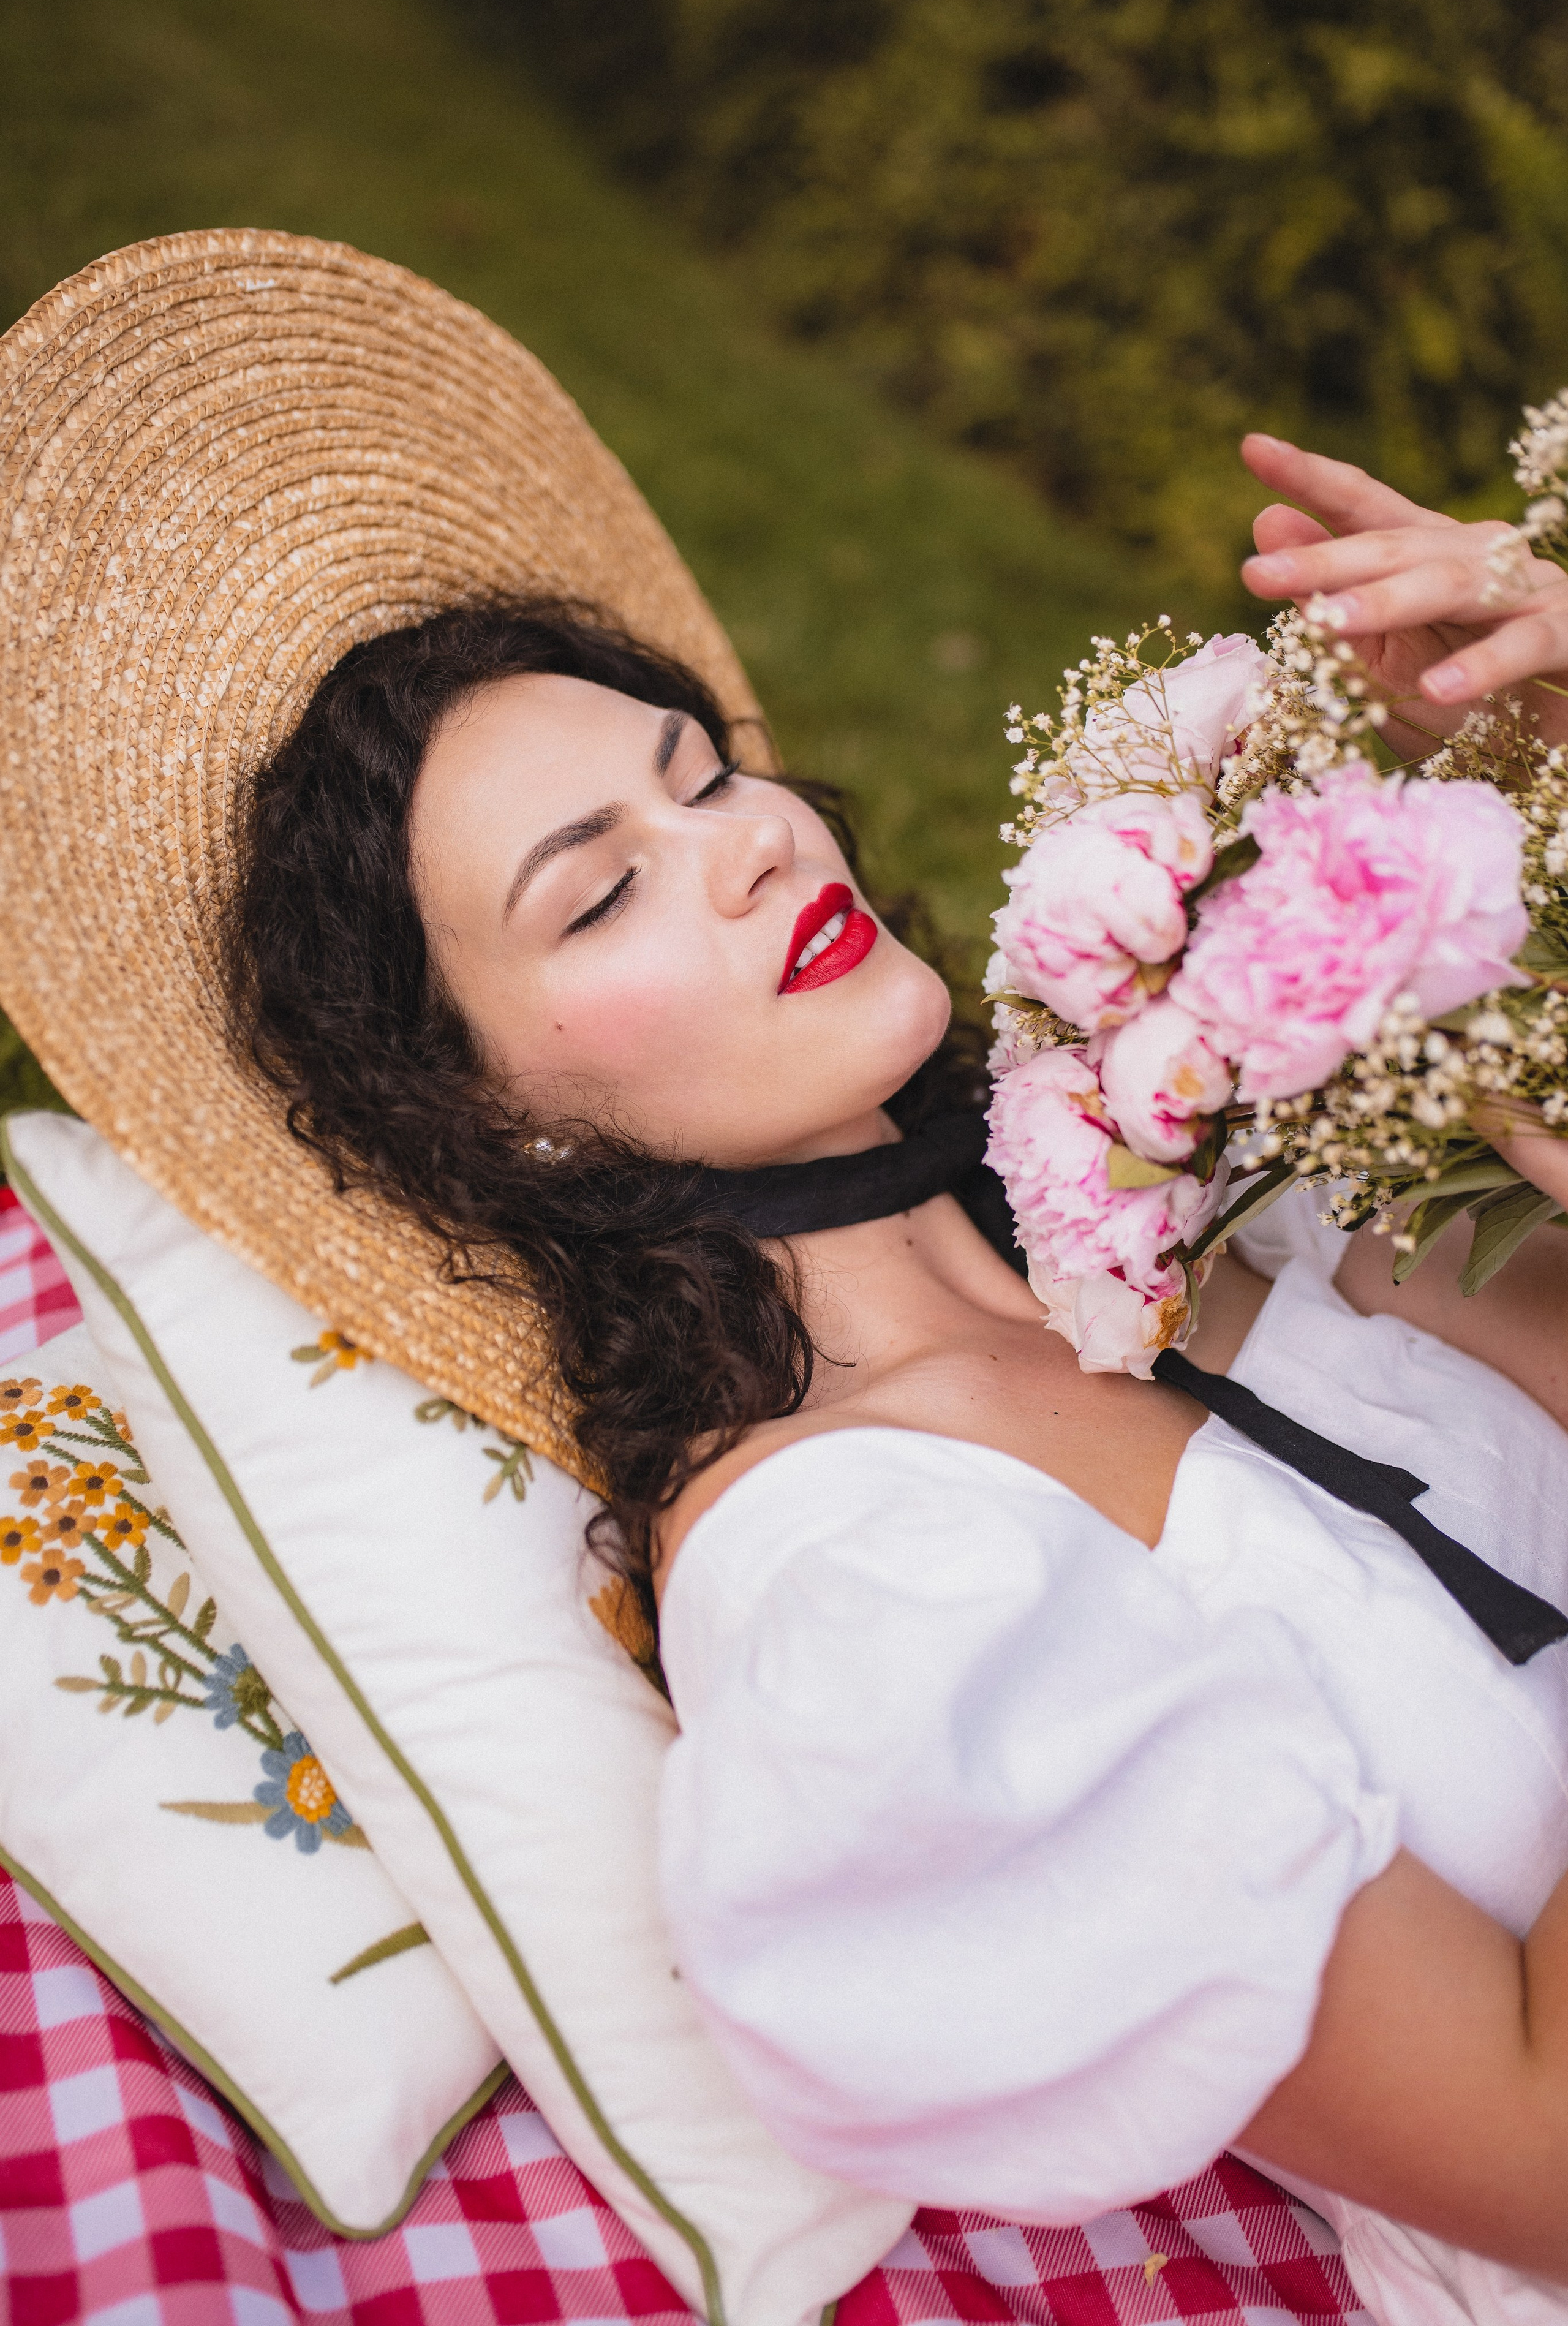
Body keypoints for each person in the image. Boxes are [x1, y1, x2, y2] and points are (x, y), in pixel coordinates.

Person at [230, 422, 1568, 2319]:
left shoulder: (1213, 1182)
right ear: (481, 1115)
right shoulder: (872, 1592)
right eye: (599, 892)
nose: (754, 838)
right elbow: (1535, 2152)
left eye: (703, 779)